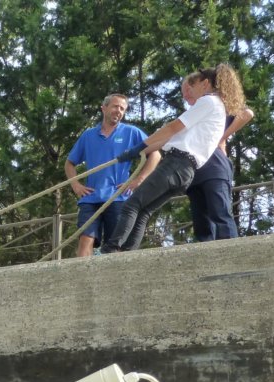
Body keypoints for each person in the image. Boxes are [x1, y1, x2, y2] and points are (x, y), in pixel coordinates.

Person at [100, 64, 246, 253]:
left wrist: (139, 146)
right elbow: (168, 138)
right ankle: (127, 253)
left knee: (132, 204)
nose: (189, 93)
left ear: (205, 83)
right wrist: (137, 152)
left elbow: (171, 128)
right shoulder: (216, 109)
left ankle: (111, 249)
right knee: (144, 211)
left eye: (192, 87)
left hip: (177, 164)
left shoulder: (209, 102)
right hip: (187, 173)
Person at [64, 94, 160, 257]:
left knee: (115, 246)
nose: (119, 111)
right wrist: (76, 185)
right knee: (85, 240)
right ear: (104, 108)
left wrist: (139, 180)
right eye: (116, 106)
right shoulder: (88, 135)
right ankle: (82, 280)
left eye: (122, 109)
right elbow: (69, 163)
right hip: (90, 197)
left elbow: (155, 154)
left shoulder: (131, 132)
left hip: (119, 197)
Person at [184, 77, 254, 242]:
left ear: (203, 86)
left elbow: (246, 113)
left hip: (215, 168)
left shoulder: (216, 106)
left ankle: (232, 260)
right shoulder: (190, 116)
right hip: (193, 174)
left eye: (189, 88)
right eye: (183, 91)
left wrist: (222, 137)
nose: (186, 93)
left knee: (220, 214)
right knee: (201, 224)